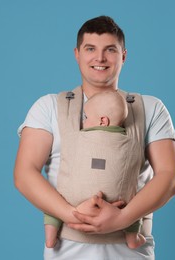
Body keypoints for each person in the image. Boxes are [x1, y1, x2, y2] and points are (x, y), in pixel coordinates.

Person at [14, 15, 175, 259]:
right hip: (67, 253)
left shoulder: (150, 108)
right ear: (77, 54)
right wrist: (74, 216)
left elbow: (170, 176)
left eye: (110, 50)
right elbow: (24, 173)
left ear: (123, 55)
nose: (100, 58)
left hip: (131, 253)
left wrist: (122, 219)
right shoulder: (49, 107)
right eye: (90, 48)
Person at [44, 91, 146, 249]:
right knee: (134, 206)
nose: (84, 122)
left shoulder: (79, 136)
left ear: (102, 121)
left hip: (72, 199)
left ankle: (50, 237)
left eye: (86, 117)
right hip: (116, 201)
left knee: (52, 204)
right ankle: (132, 238)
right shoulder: (130, 139)